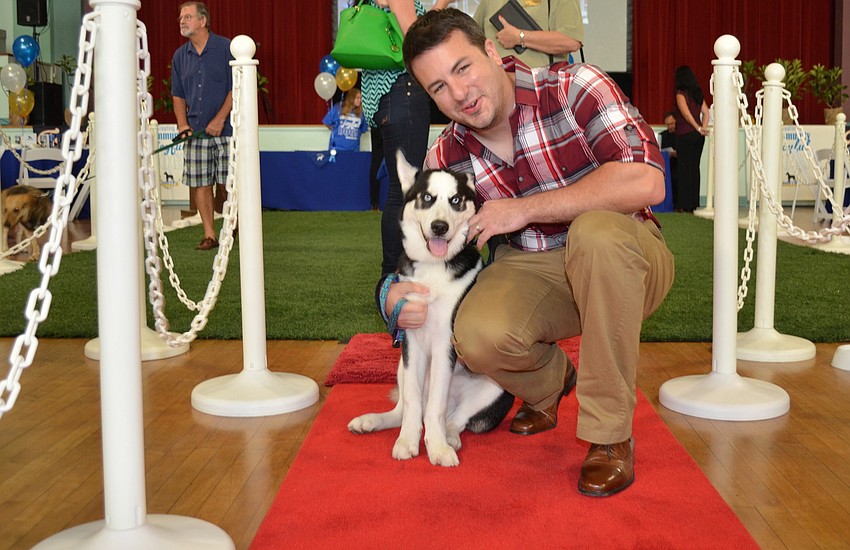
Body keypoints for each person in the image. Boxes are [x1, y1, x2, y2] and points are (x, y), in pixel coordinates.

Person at [381, 8, 674, 497]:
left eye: (463, 68)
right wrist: (390, 296)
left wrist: (522, 209)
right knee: (475, 333)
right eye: (438, 88)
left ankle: (609, 436)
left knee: (596, 234)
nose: (458, 93)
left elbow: (647, 180)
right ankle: (552, 380)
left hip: (624, 251)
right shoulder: (447, 157)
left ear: (492, 51)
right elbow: (416, 253)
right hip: (533, 267)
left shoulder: (575, 85)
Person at [362, 0, 453, 275]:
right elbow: (416, 40)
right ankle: (395, 272)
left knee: (399, 188)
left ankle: (395, 271)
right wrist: (443, 4)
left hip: (390, 97)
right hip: (404, 92)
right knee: (403, 190)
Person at [171, 1, 234, 250]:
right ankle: (210, 234)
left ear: (203, 21)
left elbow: (234, 88)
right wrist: (182, 125)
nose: (182, 21)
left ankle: (233, 224)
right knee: (201, 183)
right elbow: (178, 95)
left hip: (226, 131)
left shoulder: (226, 48)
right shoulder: (179, 56)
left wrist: (219, 120)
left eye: (187, 16)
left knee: (228, 183)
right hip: (195, 133)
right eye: (180, 18)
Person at [473, 0, 583, 68]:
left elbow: (571, 41)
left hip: (540, 88)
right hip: (497, 89)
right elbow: (470, 35)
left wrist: (519, 37)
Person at [673, 65, 709, 213]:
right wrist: (702, 128)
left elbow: (686, 114)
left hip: (685, 134)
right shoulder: (697, 93)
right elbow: (706, 112)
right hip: (697, 136)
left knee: (684, 169)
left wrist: (697, 127)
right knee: (695, 168)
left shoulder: (681, 93)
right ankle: (693, 203)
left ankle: (684, 205)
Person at [323, 87, 368, 153]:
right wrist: (335, 129)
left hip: (353, 150)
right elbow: (326, 122)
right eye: (358, 98)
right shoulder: (338, 108)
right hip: (337, 149)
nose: (360, 100)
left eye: (361, 98)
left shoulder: (361, 113)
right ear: (351, 99)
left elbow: (363, 129)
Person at [658, 111, 678, 208]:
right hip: (666, 165)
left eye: (672, 123)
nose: (670, 126)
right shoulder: (662, 136)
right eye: (668, 124)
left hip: (677, 165)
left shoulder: (680, 135)